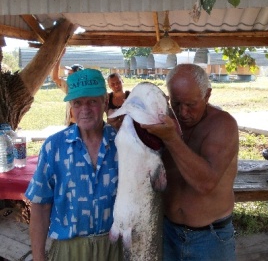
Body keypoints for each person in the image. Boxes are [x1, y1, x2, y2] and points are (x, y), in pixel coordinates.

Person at [141, 64, 239, 261]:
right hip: (168, 231)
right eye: (176, 104)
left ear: (207, 95)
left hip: (209, 238)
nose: (183, 112)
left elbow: (206, 183)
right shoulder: (165, 121)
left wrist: (171, 138)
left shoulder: (223, 124)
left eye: (191, 104)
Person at [25, 69, 122, 261]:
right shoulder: (55, 146)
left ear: (104, 102)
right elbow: (40, 207)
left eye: (92, 101)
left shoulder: (122, 143)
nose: (84, 109)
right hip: (68, 249)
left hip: (113, 248)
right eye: (78, 103)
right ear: (71, 107)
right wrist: (38, 257)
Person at [50, 55, 84, 126]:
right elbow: (55, 78)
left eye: (71, 74)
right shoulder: (69, 86)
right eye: (68, 74)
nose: (69, 76)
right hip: (70, 124)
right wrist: (58, 58)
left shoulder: (88, 90)